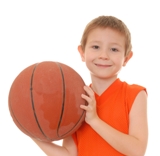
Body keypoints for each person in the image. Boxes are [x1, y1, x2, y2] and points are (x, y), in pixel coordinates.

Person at [32, 15, 148, 156]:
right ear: (82, 53)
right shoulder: (75, 101)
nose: (104, 55)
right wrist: (32, 131)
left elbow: (137, 150)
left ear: (126, 58)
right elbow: (69, 154)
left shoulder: (135, 94)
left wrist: (94, 121)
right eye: (96, 47)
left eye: (114, 49)